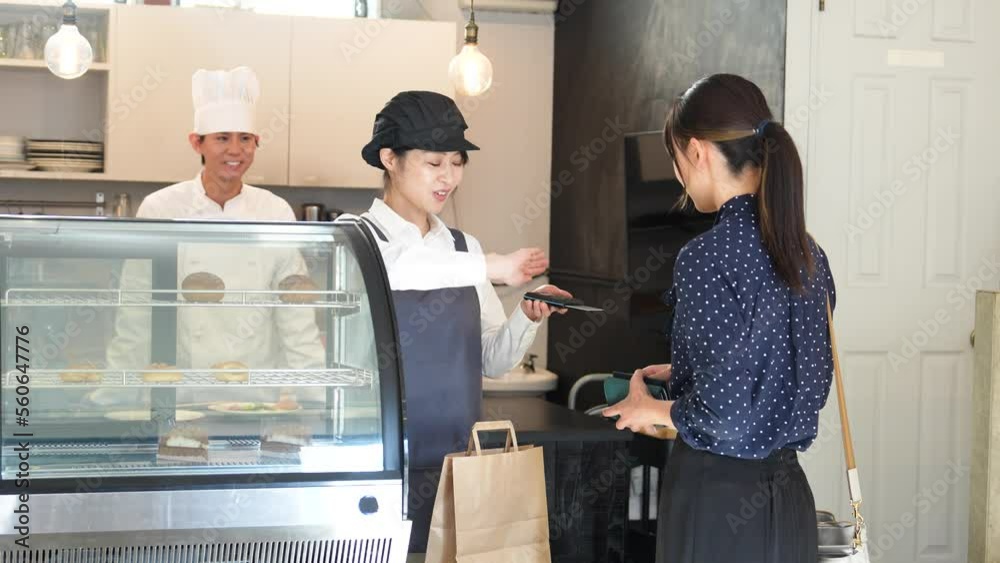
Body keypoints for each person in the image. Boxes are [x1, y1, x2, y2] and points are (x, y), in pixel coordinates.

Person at [603, 74, 836, 563]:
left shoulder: (706, 257)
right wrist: (688, 370)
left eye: (676, 160)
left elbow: (726, 414)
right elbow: (796, 373)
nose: (679, 177)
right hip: (791, 500)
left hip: (717, 504)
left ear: (697, 151)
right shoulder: (808, 254)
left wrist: (651, 410)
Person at [355, 90, 571, 554]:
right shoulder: (358, 238)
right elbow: (395, 270)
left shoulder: (462, 248)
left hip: (458, 463)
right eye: (435, 163)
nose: (449, 177)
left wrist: (526, 317)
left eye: (457, 163)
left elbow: (492, 359)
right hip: (379, 462)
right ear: (389, 158)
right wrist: (492, 267)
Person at [104, 67, 322, 403]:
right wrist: (114, 398)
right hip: (180, 398)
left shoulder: (274, 212)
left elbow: (296, 317)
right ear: (197, 143)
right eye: (222, 138)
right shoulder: (161, 208)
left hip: (256, 399)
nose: (235, 150)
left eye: (245, 139)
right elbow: (135, 312)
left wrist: (315, 399)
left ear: (256, 144)